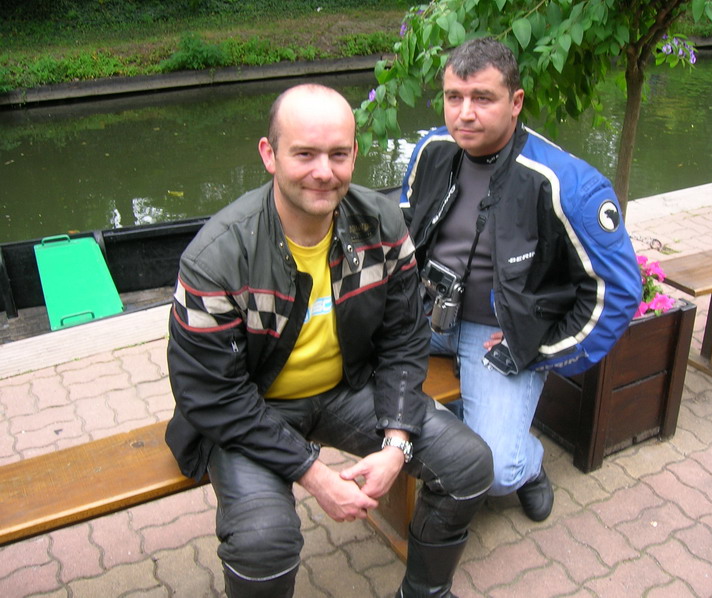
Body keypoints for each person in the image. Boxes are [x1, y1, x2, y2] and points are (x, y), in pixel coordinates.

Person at [165, 83, 493, 598]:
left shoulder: (382, 223)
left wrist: (396, 443)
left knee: (468, 464)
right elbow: (211, 394)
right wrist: (314, 474)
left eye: (339, 154)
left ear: (355, 154)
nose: (324, 171)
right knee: (264, 541)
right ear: (269, 154)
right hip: (253, 410)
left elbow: (405, 337)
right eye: (305, 154)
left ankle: (424, 592)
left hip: (346, 390)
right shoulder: (217, 258)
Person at [400, 38, 641, 522]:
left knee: (495, 472)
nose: (464, 114)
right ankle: (453, 434)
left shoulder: (567, 184)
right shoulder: (431, 150)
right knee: (345, 364)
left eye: (482, 98)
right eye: (453, 97)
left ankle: (526, 464)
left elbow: (617, 293)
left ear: (516, 102)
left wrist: (538, 347)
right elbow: (405, 230)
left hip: (500, 334)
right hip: (427, 314)